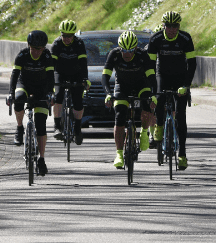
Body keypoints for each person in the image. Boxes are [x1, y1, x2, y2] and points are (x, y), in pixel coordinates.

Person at [146, 11, 197, 170]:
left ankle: (182, 154)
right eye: (169, 26)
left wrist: (186, 85)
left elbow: (192, 64)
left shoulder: (185, 38)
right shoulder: (156, 39)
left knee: (181, 115)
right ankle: (159, 127)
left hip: (180, 78)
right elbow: (150, 66)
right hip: (162, 76)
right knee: (159, 100)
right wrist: (153, 89)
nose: (172, 29)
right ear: (164, 26)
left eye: (175, 26)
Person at [102, 30, 156, 169]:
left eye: (130, 50)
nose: (126, 54)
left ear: (136, 48)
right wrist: (108, 94)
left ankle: (144, 132)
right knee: (119, 116)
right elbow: (105, 77)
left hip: (141, 85)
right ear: (119, 48)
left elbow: (151, 77)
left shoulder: (142, 55)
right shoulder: (114, 54)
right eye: (124, 50)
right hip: (122, 86)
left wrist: (153, 95)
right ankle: (119, 154)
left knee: (146, 104)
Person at [6, 30, 55, 175]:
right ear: (29, 46)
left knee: (41, 125)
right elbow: (14, 76)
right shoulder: (22, 55)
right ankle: (20, 128)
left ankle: (42, 159)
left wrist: (50, 93)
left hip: (42, 87)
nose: (37, 52)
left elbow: (51, 77)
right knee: (19, 98)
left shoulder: (47, 56)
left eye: (40, 49)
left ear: (44, 48)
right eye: (34, 48)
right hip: (24, 84)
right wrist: (10, 93)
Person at [50, 19, 90, 145]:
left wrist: (85, 79)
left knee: (78, 101)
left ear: (74, 35)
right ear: (61, 34)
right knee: (58, 96)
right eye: (64, 36)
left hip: (76, 73)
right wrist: (50, 81)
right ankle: (57, 126)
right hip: (60, 73)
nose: (67, 38)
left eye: (70, 36)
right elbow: (52, 65)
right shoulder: (56, 44)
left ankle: (77, 129)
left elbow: (83, 63)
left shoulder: (79, 43)